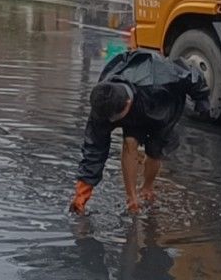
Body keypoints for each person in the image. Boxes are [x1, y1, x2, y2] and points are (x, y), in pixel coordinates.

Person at [70, 49, 210, 214]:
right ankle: (132, 198)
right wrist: (83, 191)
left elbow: (190, 74)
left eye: (115, 119)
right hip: (133, 105)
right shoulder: (103, 103)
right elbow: (94, 147)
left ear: (127, 103)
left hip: (161, 106)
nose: (111, 123)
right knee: (130, 143)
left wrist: (202, 98)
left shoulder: (162, 75)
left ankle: (147, 187)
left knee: (155, 151)